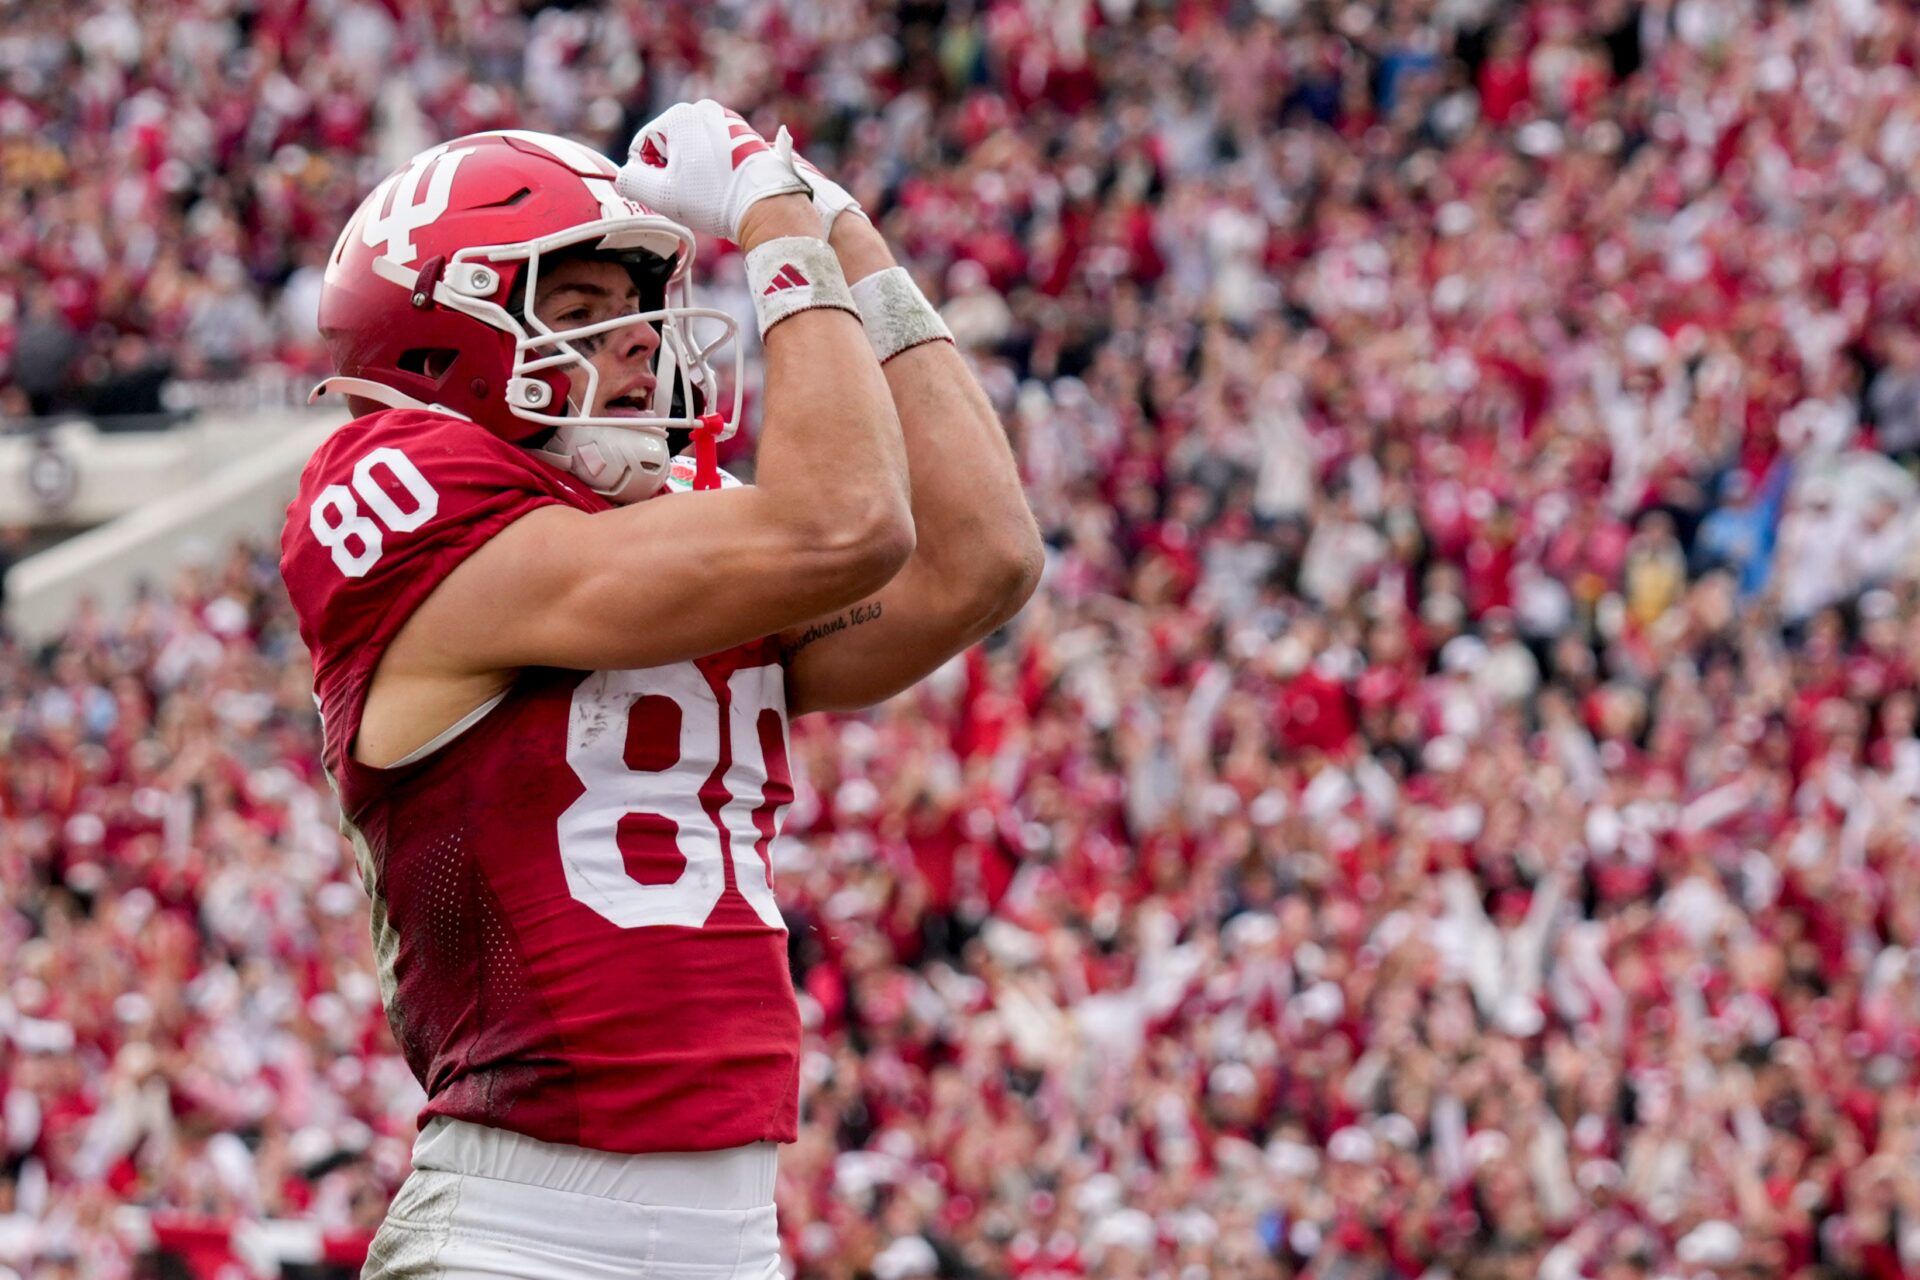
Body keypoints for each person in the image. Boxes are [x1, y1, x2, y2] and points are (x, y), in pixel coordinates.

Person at [277, 106, 1040, 1279]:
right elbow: (844, 522)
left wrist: (852, 241)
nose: (639, 343)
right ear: (441, 347)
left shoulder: (661, 544)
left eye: (632, 310)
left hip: (731, 1236)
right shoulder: (413, 504)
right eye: (580, 313)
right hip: (520, 1231)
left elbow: (980, 559)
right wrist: (776, 218)